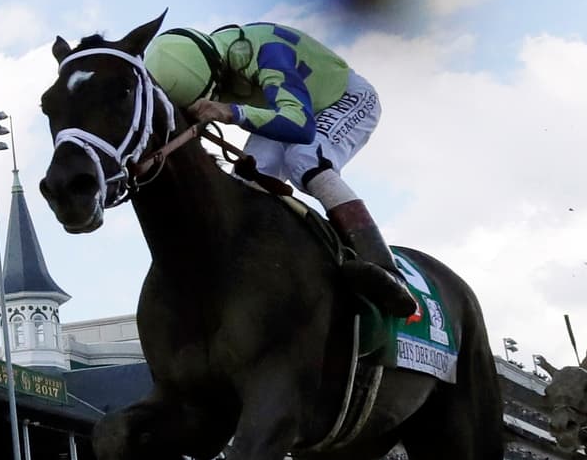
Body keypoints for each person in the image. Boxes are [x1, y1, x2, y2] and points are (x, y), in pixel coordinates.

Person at [143, 22, 416, 317]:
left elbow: (300, 125)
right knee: (246, 181)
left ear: (215, 75)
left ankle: (386, 269)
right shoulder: (204, 61)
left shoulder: (270, 54)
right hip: (284, 106)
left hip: (342, 100)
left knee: (305, 160)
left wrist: (232, 111)